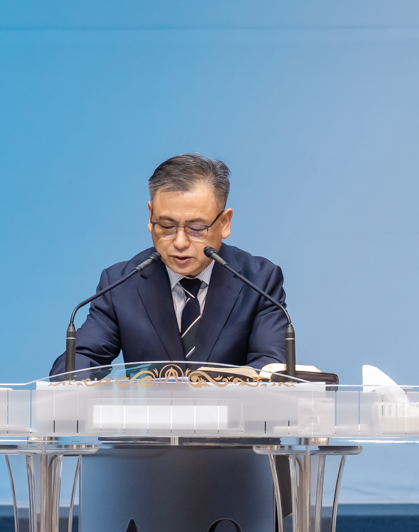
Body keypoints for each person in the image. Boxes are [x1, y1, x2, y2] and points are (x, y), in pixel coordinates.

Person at [51, 153, 288, 377]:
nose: (180, 242)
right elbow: (78, 360)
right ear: (150, 216)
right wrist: (76, 378)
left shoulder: (259, 281)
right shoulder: (120, 285)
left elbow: (269, 367)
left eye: (196, 228)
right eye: (166, 226)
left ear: (225, 222)